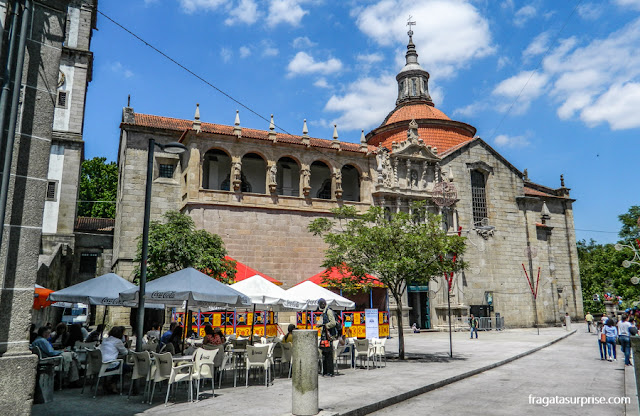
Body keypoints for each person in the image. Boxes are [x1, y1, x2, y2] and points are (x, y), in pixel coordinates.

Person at [99, 326, 128, 394]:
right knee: (126, 367)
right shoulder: (118, 341)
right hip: (109, 364)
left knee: (121, 365)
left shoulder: (105, 340)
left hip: (101, 363)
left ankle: (109, 382)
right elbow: (125, 352)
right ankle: (112, 382)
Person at [317, 298, 336, 377]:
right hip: (324, 335)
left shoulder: (328, 311)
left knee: (328, 354)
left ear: (323, 304)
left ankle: (330, 371)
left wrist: (325, 326)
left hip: (328, 336)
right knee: (324, 353)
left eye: (320, 304)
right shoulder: (324, 312)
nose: (320, 306)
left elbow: (333, 323)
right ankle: (325, 371)